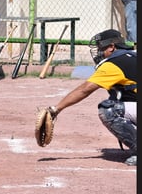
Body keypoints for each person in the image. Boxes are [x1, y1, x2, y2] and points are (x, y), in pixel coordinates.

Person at [46, 29, 136, 166]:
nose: (99, 53)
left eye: (101, 48)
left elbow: (85, 89)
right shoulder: (133, 55)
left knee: (109, 110)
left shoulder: (113, 63)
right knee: (122, 103)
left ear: (112, 47)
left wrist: (56, 109)